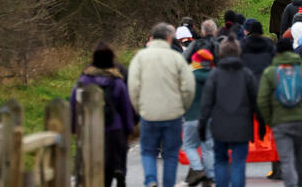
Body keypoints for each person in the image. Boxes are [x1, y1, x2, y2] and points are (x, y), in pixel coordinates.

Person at [128, 22, 196, 187]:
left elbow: (133, 87)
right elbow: (188, 87)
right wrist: (183, 108)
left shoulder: (140, 58)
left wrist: (139, 108)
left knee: (148, 150)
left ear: (151, 37)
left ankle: (151, 179)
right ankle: (168, 184)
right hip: (173, 113)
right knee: (171, 154)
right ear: (168, 38)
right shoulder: (177, 58)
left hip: (149, 112)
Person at [257, 38, 302, 187]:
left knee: (286, 160)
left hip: (280, 122)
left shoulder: (270, 72)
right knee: (301, 159)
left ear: (277, 53)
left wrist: (270, 120)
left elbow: (262, 100)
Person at [69, 42, 135, 187]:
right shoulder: (117, 82)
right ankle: (119, 170)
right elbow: (126, 108)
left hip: (89, 130)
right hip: (113, 129)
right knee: (110, 167)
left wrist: (74, 128)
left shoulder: (84, 80)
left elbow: (74, 104)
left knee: (91, 168)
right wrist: (129, 129)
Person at [197, 38, 256, 187]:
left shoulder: (215, 75)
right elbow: (256, 101)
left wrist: (202, 125)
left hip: (220, 126)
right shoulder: (247, 74)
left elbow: (207, 103)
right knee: (238, 163)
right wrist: (260, 124)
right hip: (242, 126)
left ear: (221, 53)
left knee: (221, 161)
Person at [181, 49, 214, 187]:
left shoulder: (190, 76)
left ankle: (199, 169)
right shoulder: (214, 75)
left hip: (191, 116)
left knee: (189, 146)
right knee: (208, 147)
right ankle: (210, 175)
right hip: (210, 117)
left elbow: (184, 95)